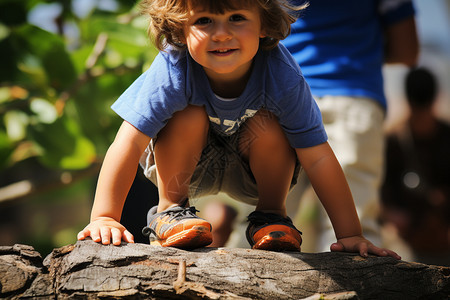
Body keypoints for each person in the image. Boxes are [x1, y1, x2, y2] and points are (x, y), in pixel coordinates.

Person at [77, 0, 400, 259]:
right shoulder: (174, 67)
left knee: (272, 122)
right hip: (185, 166)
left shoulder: (281, 74)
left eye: (236, 17)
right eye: (204, 20)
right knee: (187, 112)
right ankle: (170, 211)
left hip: (255, 170)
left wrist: (350, 234)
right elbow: (129, 142)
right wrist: (104, 216)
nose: (221, 33)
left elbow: (317, 157)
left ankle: (271, 216)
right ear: (179, 29)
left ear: (264, 24)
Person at [278, 0, 419, 252]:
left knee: (264, 222)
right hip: (353, 94)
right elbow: (407, 49)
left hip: (280, 94)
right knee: (353, 237)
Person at [382, 67, 450, 266]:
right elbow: (377, 194)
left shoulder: (446, 137)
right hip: (406, 241)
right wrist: (391, 215)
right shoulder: (394, 141)